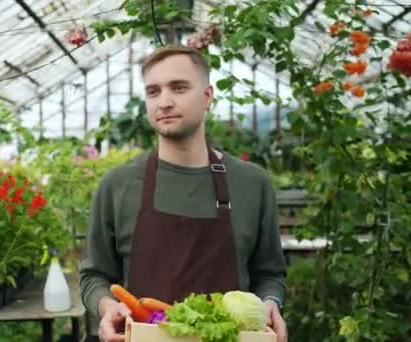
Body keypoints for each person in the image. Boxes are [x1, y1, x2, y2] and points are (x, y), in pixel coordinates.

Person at [79, 45, 288, 342]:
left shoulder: (252, 183)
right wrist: (107, 306)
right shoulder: (118, 185)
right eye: (153, 91)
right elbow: (94, 276)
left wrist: (271, 304)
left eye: (178, 88)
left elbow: (270, 275)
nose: (164, 102)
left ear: (207, 97)